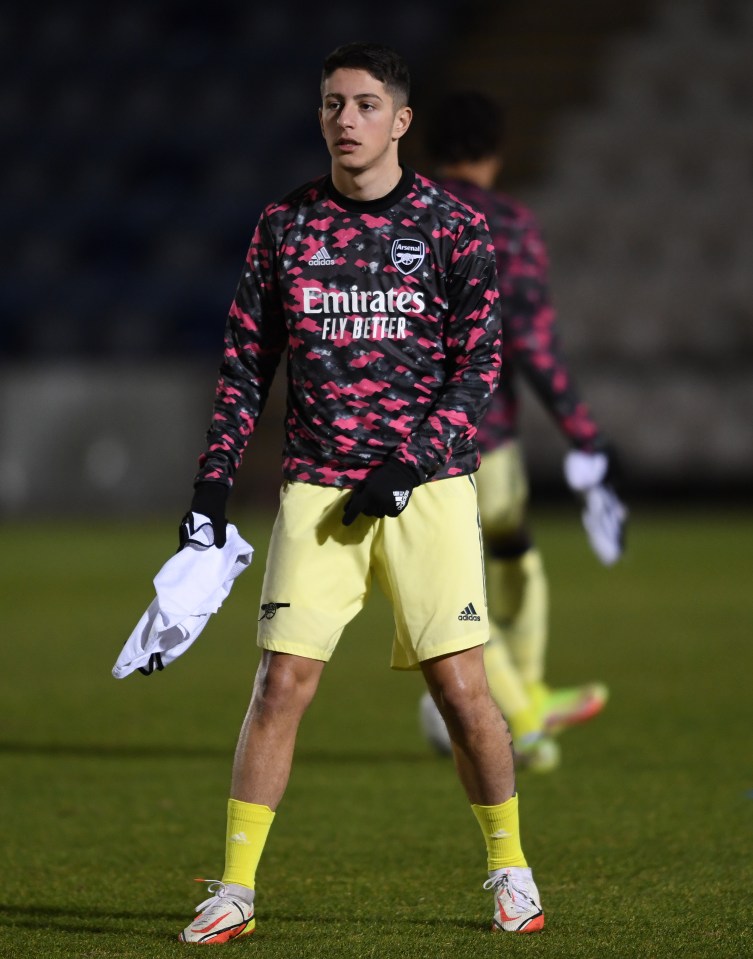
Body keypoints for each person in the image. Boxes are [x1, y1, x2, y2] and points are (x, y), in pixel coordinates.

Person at [175, 44, 544, 943]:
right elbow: (243, 368)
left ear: (401, 121)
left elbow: (478, 371)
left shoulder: (453, 228)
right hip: (317, 490)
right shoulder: (285, 227)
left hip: (428, 493)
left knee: (462, 690)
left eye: (366, 104)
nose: (347, 119)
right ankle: (234, 888)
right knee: (280, 683)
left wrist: (410, 462)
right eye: (334, 104)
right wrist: (210, 487)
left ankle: (510, 868)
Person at [417, 90, 627, 773]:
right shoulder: (506, 223)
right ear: (496, 151)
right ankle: (526, 709)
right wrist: (584, 434)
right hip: (489, 435)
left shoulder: (404, 217)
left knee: (466, 585)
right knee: (509, 558)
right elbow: (532, 345)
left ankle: (525, 698)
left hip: (413, 438)